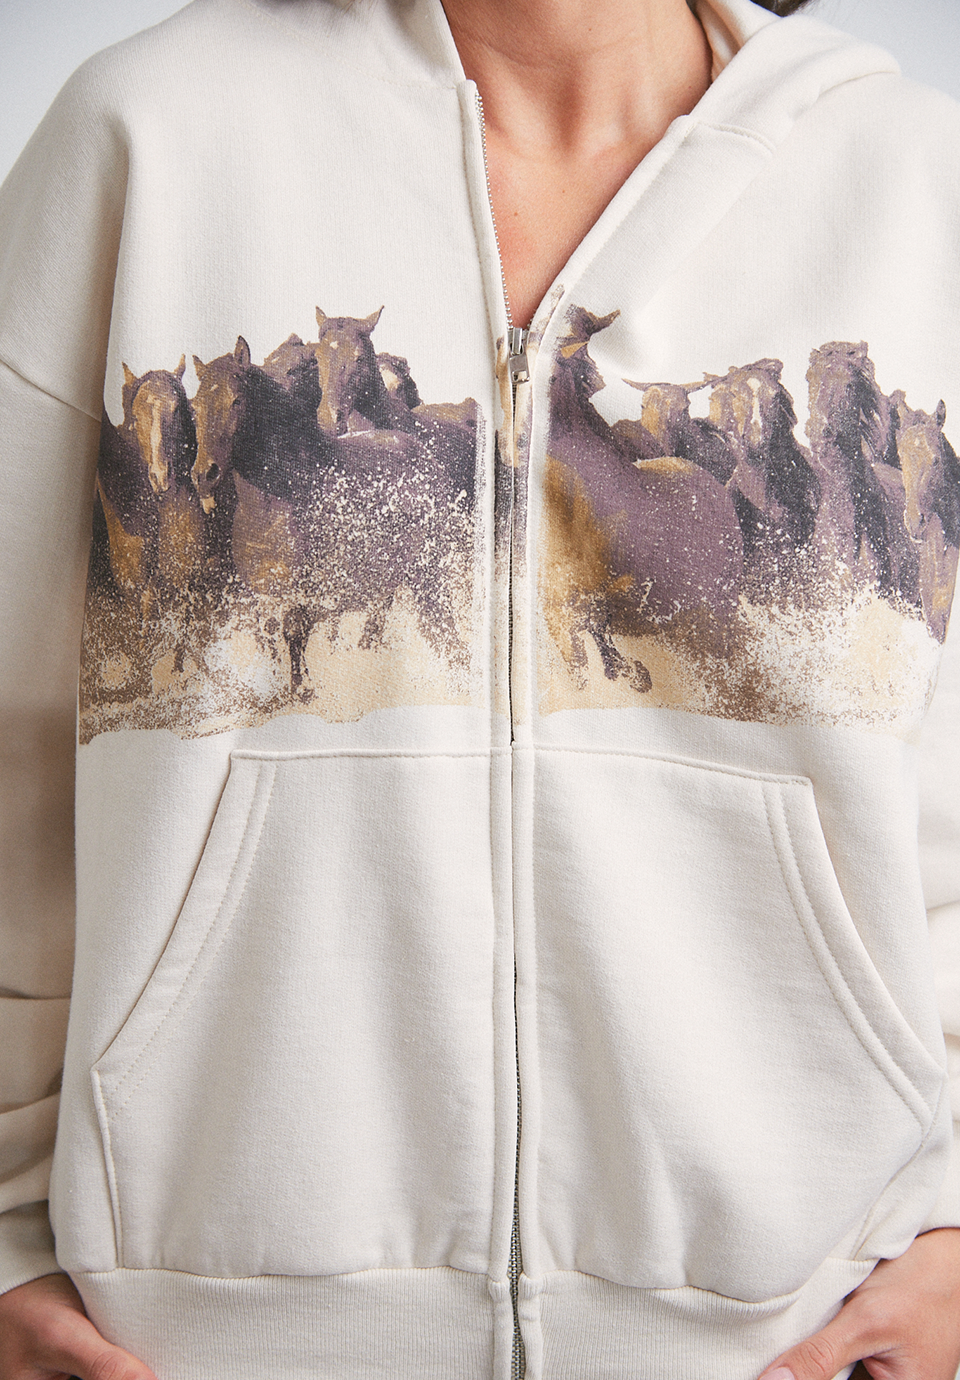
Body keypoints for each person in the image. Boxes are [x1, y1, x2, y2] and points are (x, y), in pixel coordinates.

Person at [1, 0, 959, 1375]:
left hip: (804, 1334)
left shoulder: (919, 184)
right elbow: (9, 745)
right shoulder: (149, 140)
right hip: (193, 1339)